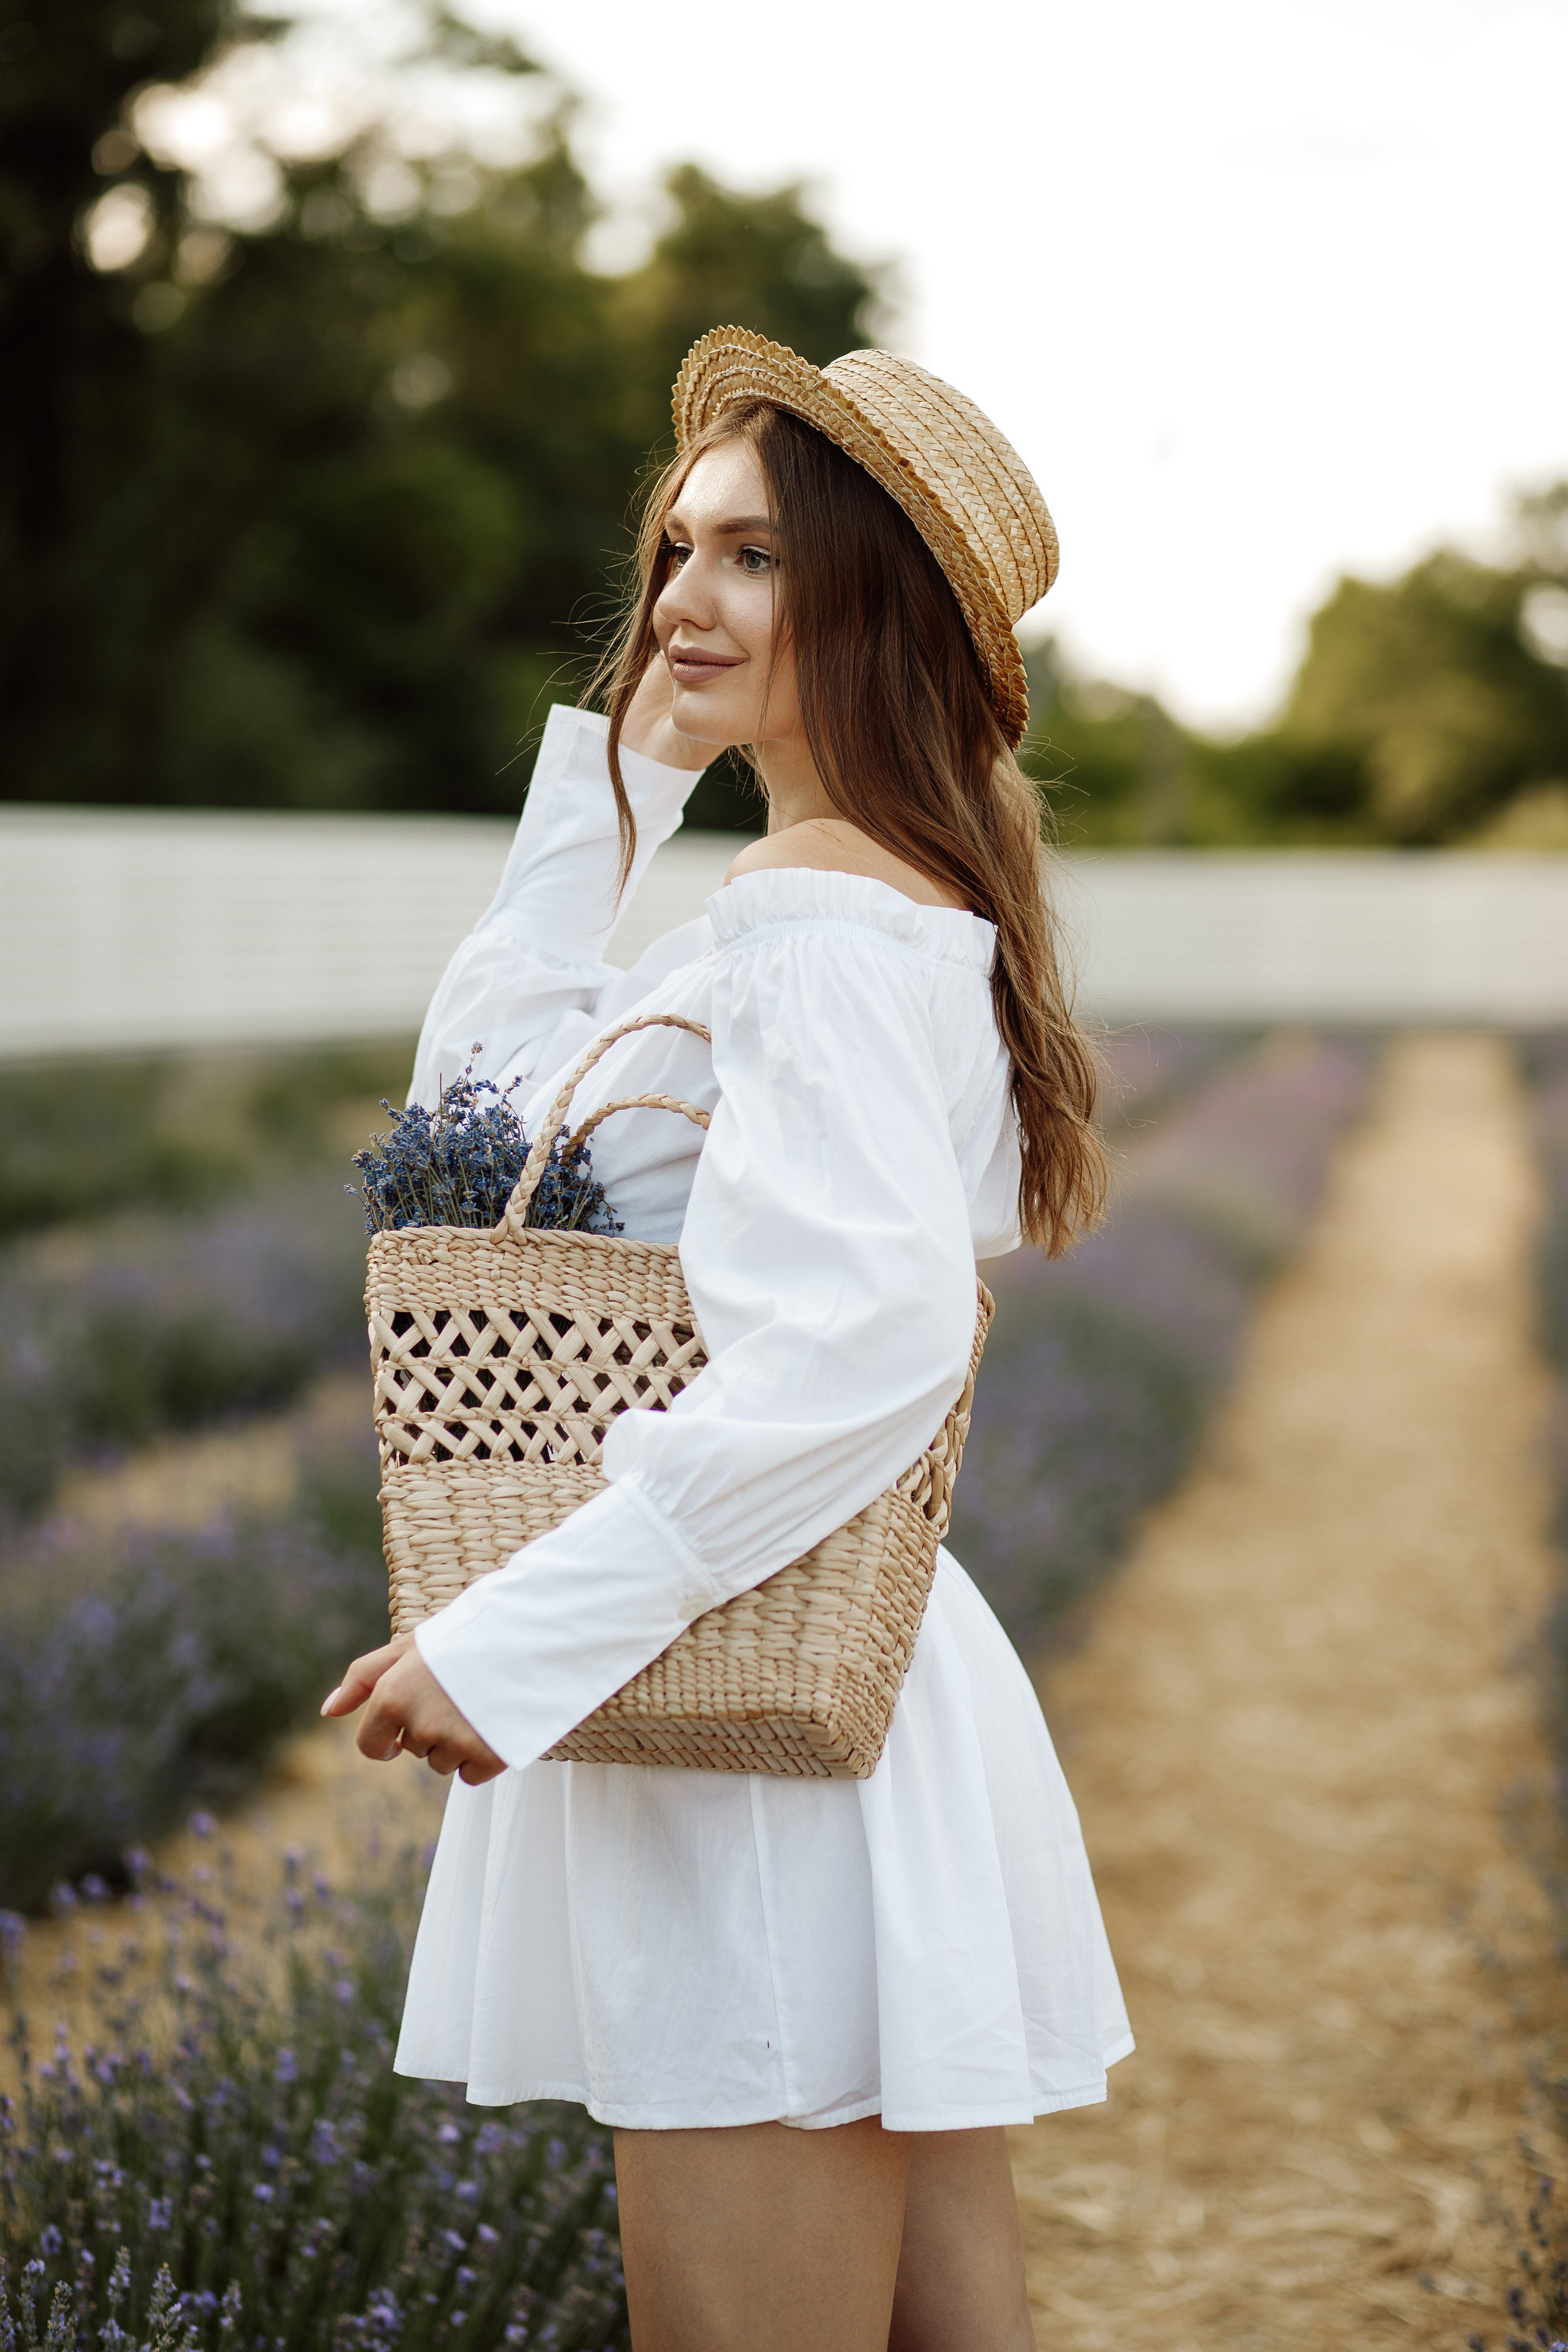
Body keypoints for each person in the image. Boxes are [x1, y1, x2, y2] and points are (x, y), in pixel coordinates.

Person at [323, 327, 1132, 2352]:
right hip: (814, 1690)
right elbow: (482, 1096)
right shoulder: (831, 901)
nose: (682, 597)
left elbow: (859, 1352)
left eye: (755, 558)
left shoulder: (817, 924)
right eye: (681, 549)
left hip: (751, 1721)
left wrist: (509, 1639)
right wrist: (631, 774)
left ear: (876, 603)